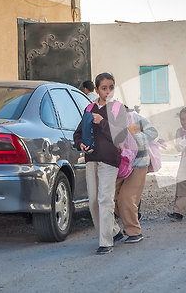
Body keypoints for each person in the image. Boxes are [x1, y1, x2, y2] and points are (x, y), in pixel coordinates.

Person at [74, 73, 128, 254]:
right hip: (91, 159)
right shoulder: (89, 108)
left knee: (105, 199)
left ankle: (105, 242)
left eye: (111, 87)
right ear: (97, 90)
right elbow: (78, 133)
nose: (108, 91)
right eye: (104, 88)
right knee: (93, 202)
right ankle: (113, 231)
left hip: (109, 159)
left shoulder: (118, 109)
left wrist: (102, 122)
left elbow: (121, 135)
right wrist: (79, 143)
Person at [114, 107, 158, 243]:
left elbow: (153, 131)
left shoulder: (135, 118)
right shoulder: (111, 122)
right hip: (121, 166)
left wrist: (134, 139)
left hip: (138, 163)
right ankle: (132, 215)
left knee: (126, 198)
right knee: (112, 197)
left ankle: (134, 232)